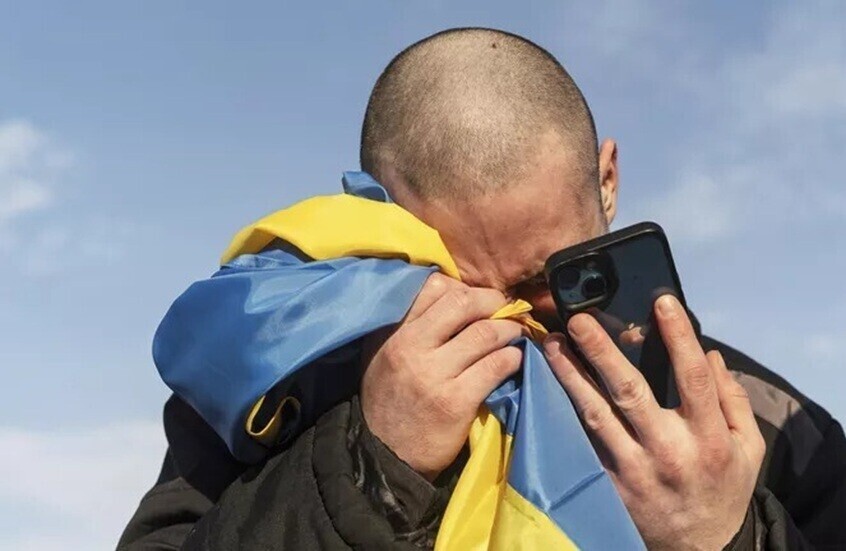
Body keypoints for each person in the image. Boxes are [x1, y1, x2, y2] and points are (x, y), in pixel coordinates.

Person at [119, 28, 846, 550]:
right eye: (452, 290)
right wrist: (369, 467)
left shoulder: (772, 429)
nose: (510, 325)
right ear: (382, 225)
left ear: (607, 181)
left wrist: (725, 536)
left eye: (545, 279)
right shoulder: (283, 386)